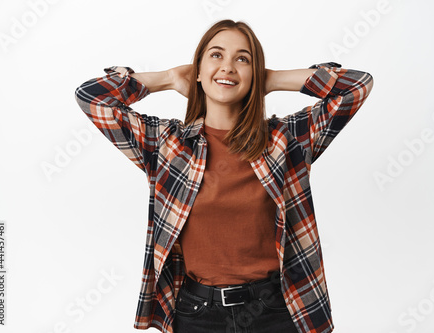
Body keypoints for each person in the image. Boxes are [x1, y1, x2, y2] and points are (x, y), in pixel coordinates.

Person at [75, 19, 373, 333]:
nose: (228, 67)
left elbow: (356, 86)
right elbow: (92, 97)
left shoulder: (287, 140)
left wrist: (269, 80)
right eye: (216, 56)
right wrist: (167, 78)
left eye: (242, 59)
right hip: (197, 313)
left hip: (275, 310)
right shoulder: (165, 144)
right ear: (197, 72)